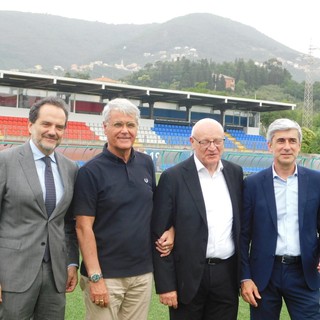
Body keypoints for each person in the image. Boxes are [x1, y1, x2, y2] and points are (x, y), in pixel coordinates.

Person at [72, 98, 173, 320]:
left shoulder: (146, 163)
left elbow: (156, 211)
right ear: (105, 128)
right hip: (106, 277)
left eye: (131, 125)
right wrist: (95, 277)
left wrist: (171, 230)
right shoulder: (90, 172)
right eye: (118, 125)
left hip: (142, 274)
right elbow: (83, 227)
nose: (125, 131)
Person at [151, 118, 243, 320]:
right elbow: (159, 234)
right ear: (192, 142)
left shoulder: (235, 173)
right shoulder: (173, 177)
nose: (212, 147)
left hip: (226, 275)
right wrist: (166, 286)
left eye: (217, 141)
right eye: (205, 142)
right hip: (188, 277)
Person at [0, 96, 79, 320]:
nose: (52, 131)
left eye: (59, 127)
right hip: (12, 273)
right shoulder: (5, 162)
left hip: (55, 276)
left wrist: (72, 262)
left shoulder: (70, 168)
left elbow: (68, 223)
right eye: (46, 124)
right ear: (30, 125)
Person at [240, 118, 320, 320]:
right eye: (281, 141)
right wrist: (245, 277)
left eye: (292, 141)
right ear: (270, 146)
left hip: (304, 272)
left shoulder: (316, 181)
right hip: (264, 275)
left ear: (299, 146)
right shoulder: (252, 184)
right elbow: (243, 235)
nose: (287, 147)